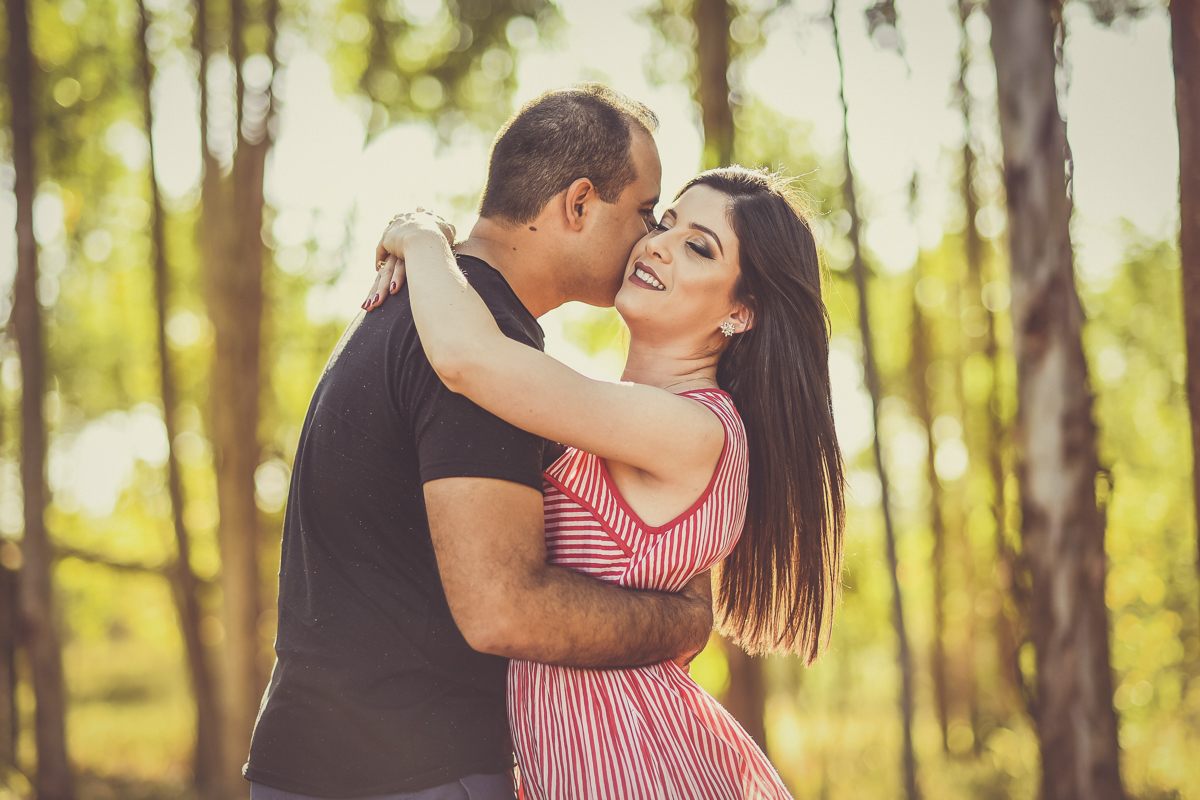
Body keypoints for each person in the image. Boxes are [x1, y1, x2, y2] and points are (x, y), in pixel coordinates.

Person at [244, 85, 717, 800]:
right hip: (415, 770)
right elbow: (503, 606)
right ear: (579, 204)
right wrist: (677, 622)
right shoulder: (479, 349)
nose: (649, 239)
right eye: (646, 212)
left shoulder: (415, 307)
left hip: (308, 762)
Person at [371, 165, 846, 799]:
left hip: (630, 765)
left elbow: (468, 358)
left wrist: (424, 235)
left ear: (740, 311)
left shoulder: (693, 429)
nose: (658, 245)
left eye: (698, 247)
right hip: (585, 761)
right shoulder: (629, 419)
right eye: (666, 222)